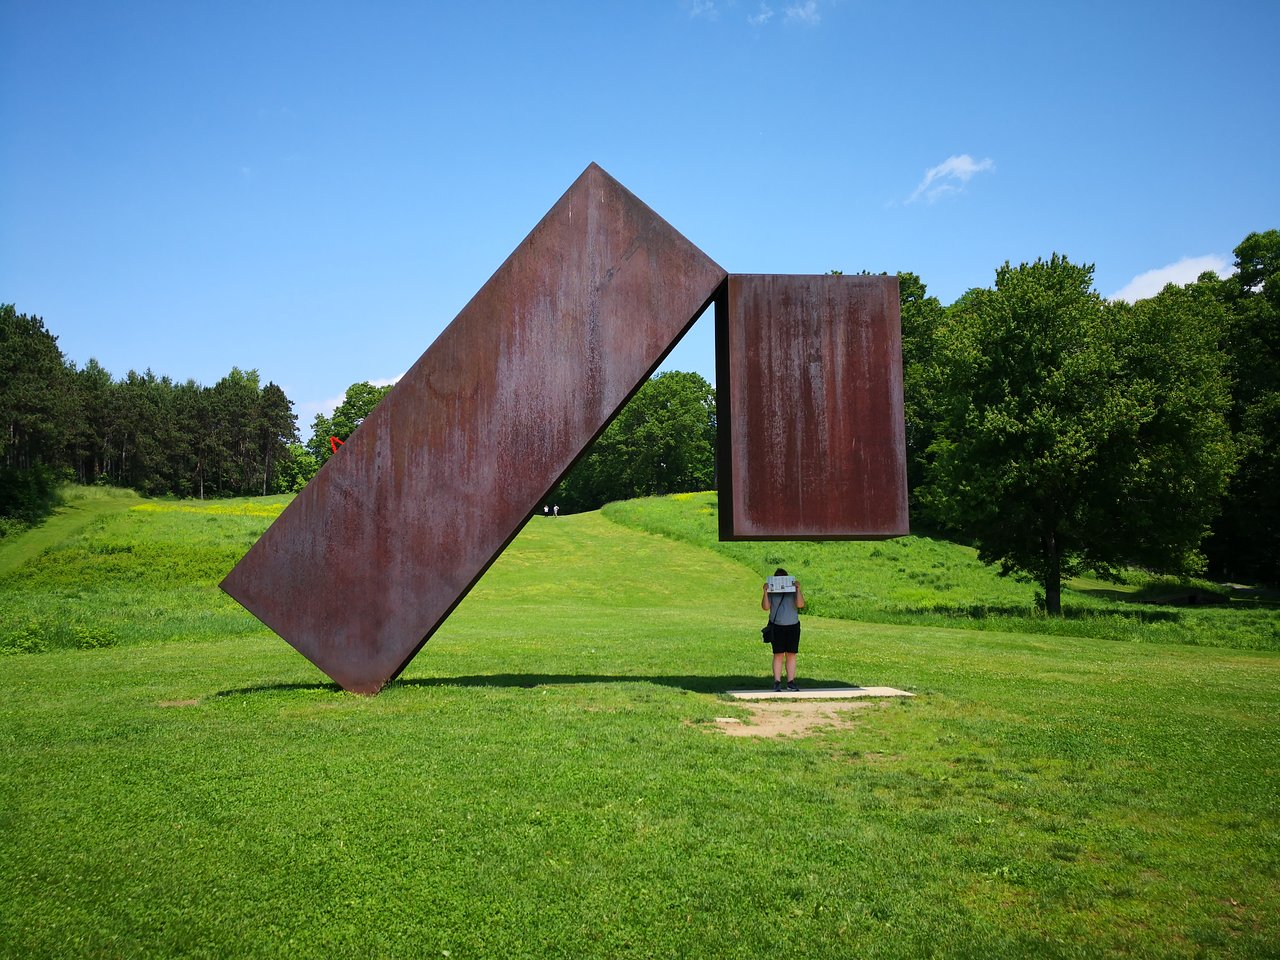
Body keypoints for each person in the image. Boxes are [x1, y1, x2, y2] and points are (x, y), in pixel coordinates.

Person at [762, 568, 805, 692]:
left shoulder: (792, 591)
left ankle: (791, 682)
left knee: (791, 654)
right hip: (777, 626)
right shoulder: (771, 591)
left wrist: (797, 589)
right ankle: (777, 682)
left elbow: (800, 605)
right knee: (778, 654)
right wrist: (765, 592)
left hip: (793, 626)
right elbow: (765, 607)